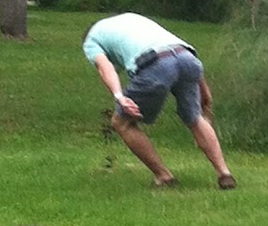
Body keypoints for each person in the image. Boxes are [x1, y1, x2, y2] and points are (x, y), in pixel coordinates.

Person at [83, 12, 236, 190]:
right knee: (194, 118)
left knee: (122, 122)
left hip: (156, 64)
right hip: (187, 58)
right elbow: (180, 57)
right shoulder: (130, 19)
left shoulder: (91, 41)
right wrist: (205, 100)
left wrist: (119, 96)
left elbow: (105, 67)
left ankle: (164, 177)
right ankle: (224, 174)